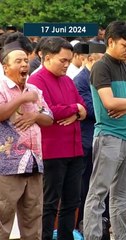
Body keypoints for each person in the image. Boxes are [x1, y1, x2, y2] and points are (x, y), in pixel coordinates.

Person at [83, 21, 126, 240]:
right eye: (125, 45)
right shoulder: (102, 66)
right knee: (98, 194)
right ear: (111, 42)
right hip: (108, 136)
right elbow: (109, 103)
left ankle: (121, 236)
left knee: (123, 197)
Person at [27, 36, 88, 240]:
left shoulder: (68, 80)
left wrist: (76, 111)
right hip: (52, 150)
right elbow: (48, 111)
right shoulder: (36, 80)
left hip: (74, 148)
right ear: (47, 57)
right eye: (63, 60)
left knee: (72, 201)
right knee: (49, 202)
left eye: (69, 61)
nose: (67, 64)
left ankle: (65, 237)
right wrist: (74, 110)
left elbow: (85, 108)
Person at [0, 41, 53, 239]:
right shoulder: (2, 88)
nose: (24, 65)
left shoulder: (34, 90)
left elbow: (49, 118)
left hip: (34, 162)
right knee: (3, 219)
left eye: (26, 60)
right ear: (6, 67)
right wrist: (22, 99)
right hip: (7, 164)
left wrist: (36, 117)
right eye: (18, 61)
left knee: (33, 218)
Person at [73, 42, 107, 229]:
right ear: (90, 59)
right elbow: (93, 110)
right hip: (87, 141)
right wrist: (113, 106)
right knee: (87, 186)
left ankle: (101, 222)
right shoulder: (81, 80)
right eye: (102, 61)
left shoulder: (101, 77)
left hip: (102, 138)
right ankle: (84, 223)